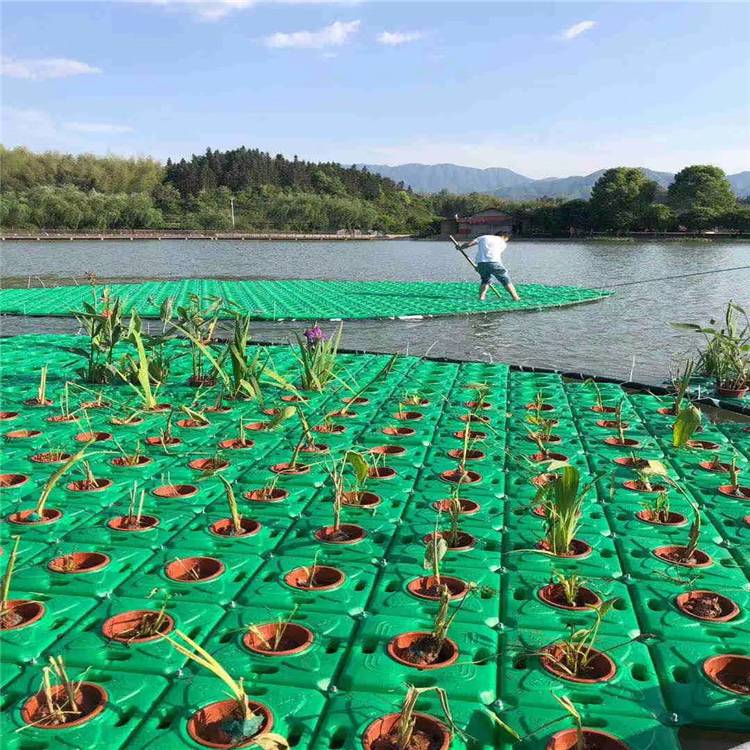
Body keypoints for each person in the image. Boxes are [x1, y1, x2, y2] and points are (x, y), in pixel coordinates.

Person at [459, 232, 520, 301]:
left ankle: (481, 297)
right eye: (507, 239)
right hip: (494, 262)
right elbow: (494, 255)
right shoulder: (503, 243)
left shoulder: (483, 237)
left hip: (481, 263)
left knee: (485, 280)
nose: (506, 241)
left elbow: (468, 244)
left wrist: (460, 247)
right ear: (504, 236)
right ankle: (515, 297)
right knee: (505, 280)